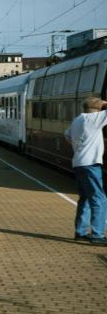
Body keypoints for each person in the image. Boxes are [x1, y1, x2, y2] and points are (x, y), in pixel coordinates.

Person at [64, 97, 107, 244]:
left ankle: (80, 232)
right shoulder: (94, 119)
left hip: (79, 162)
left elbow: (67, 135)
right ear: (98, 109)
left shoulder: (78, 119)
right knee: (99, 199)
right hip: (91, 164)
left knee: (85, 198)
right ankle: (97, 234)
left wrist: (80, 146)